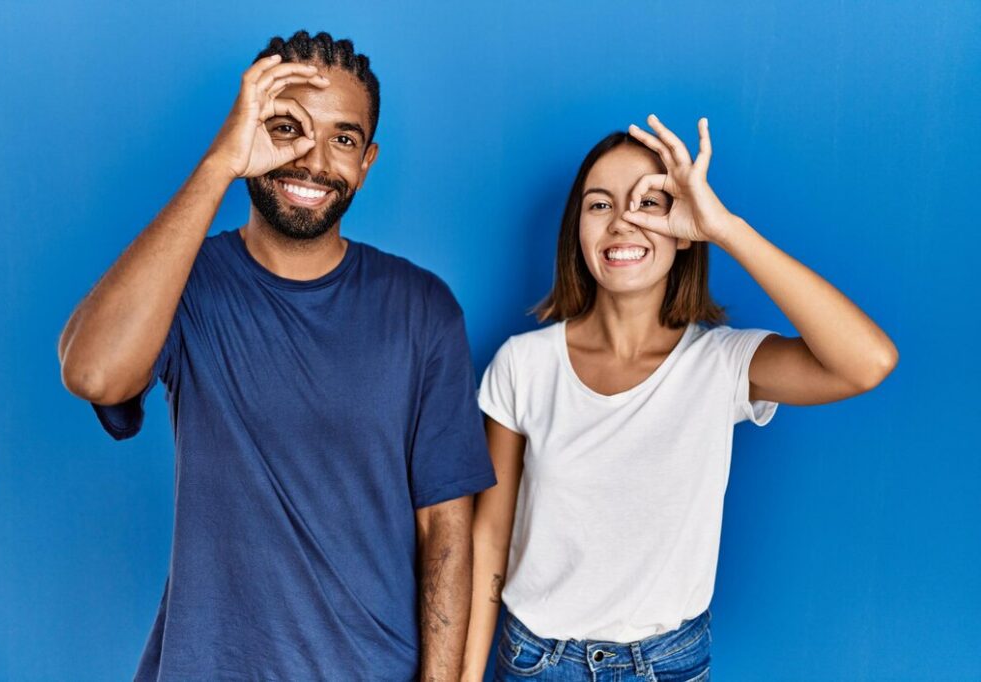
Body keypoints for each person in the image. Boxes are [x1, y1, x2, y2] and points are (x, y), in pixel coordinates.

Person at [58, 30, 496, 681]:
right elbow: (93, 372)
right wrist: (219, 165)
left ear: (367, 161)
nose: (313, 160)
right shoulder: (188, 281)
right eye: (287, 127)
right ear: (248, 131)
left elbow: (446, 530)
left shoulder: (422, 309)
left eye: (343, 139)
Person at [461, 115, 898, 681]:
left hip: (665, 666)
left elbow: (869, 362)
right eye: (600, 205)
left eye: (649, 202)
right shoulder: (524, 364)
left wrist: (724, 227)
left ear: (682, 226)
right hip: (536, 662)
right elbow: (489, 537)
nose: (622, 222)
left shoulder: (722, 364)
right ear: (576, 229)